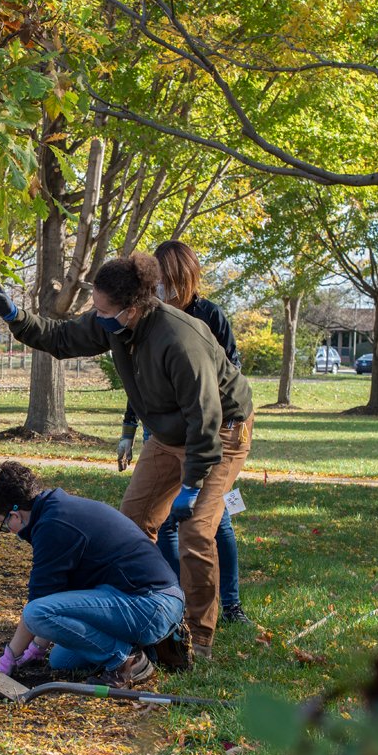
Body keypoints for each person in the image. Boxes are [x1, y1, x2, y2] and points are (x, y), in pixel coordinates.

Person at [0, 252, 253, 658]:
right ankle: (138, 612)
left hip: (220, 432)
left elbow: (205, 418)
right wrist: (15, 316)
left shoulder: (181, 339)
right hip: (166, 433)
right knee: (134, 522)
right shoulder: (114, 325)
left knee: (197, 532)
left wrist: (192, 485)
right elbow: (59, 338)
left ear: (132, 308)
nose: (97, 313)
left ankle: (197, 637)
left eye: (104, 308)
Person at [117, 240, 251, 625]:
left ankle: (230, 605)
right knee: (160, 521)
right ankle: (168, 599)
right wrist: (129, 428)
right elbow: (139, 380)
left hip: (209, 430)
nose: (165, 289)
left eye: (172, 281)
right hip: (161, 430)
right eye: (160, 280)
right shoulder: (144, 316)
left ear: (187, 279)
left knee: (208, 522)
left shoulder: (208, 315)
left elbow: (221, 387)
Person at [0, 461, 184, 688]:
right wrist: (37, 649)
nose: (9, 531)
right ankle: (135, 652)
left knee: (35, 613)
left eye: (4, 524)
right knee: (62, 660)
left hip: (152, 605)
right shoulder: (55, 510)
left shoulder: (53, 527)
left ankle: (127, 659)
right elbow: (58, 595)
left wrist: (8, 660)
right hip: (139, 600)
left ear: (14, 515)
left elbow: (37, 607)